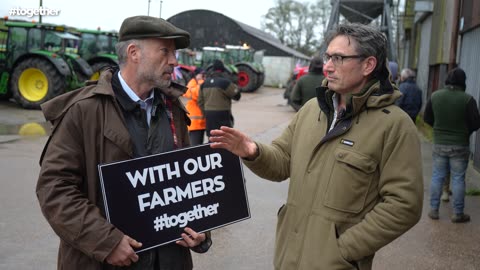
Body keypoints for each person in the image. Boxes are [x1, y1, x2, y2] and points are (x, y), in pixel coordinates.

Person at [209, 23, 423, 269]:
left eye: (339, 58)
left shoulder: (394, 126)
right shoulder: (312, 110)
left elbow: (404, 205)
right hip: (288, 259)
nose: (328, 66)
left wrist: (343, 249)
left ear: (368, 65)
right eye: (328, 56)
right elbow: (281, 161)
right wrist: (253, 151)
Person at [36, 16, 211, 270]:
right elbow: (55, 189)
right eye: (165, 51)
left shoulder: (173, 109)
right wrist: (106, 241)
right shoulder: (84, 111)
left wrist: (201, 228)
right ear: (133, 53)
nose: (174, 61)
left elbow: (185, 185)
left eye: (174, 53)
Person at [424, 67, 480, 223]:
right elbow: (476, 123)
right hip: (460, 145)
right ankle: (458, 213)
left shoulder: (435, 96)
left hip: (439, 143)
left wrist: (439, 129)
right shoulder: (468, 99)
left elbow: (428, 118)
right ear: (463, 82)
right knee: (458, 178)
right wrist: (464, 131)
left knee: (437, 176)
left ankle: (434, 210)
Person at [198, 59, 241, 137]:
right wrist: (236, 87)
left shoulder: (204, 84)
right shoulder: (225, 82)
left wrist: (205, 113)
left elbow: (200, 101)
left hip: (209, 115)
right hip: (223, 114)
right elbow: (237, 96)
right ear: (222, 70)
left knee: (212, 138)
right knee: (225, 138)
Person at [183, 67, 206, 145]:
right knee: (195, 147)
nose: (204, 76)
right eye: (202, 74)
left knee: (200, 145)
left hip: (201, 122)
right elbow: (196, 95)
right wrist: (200, 82)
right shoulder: (192, 83)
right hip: (195, 123)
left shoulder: (199, 83)